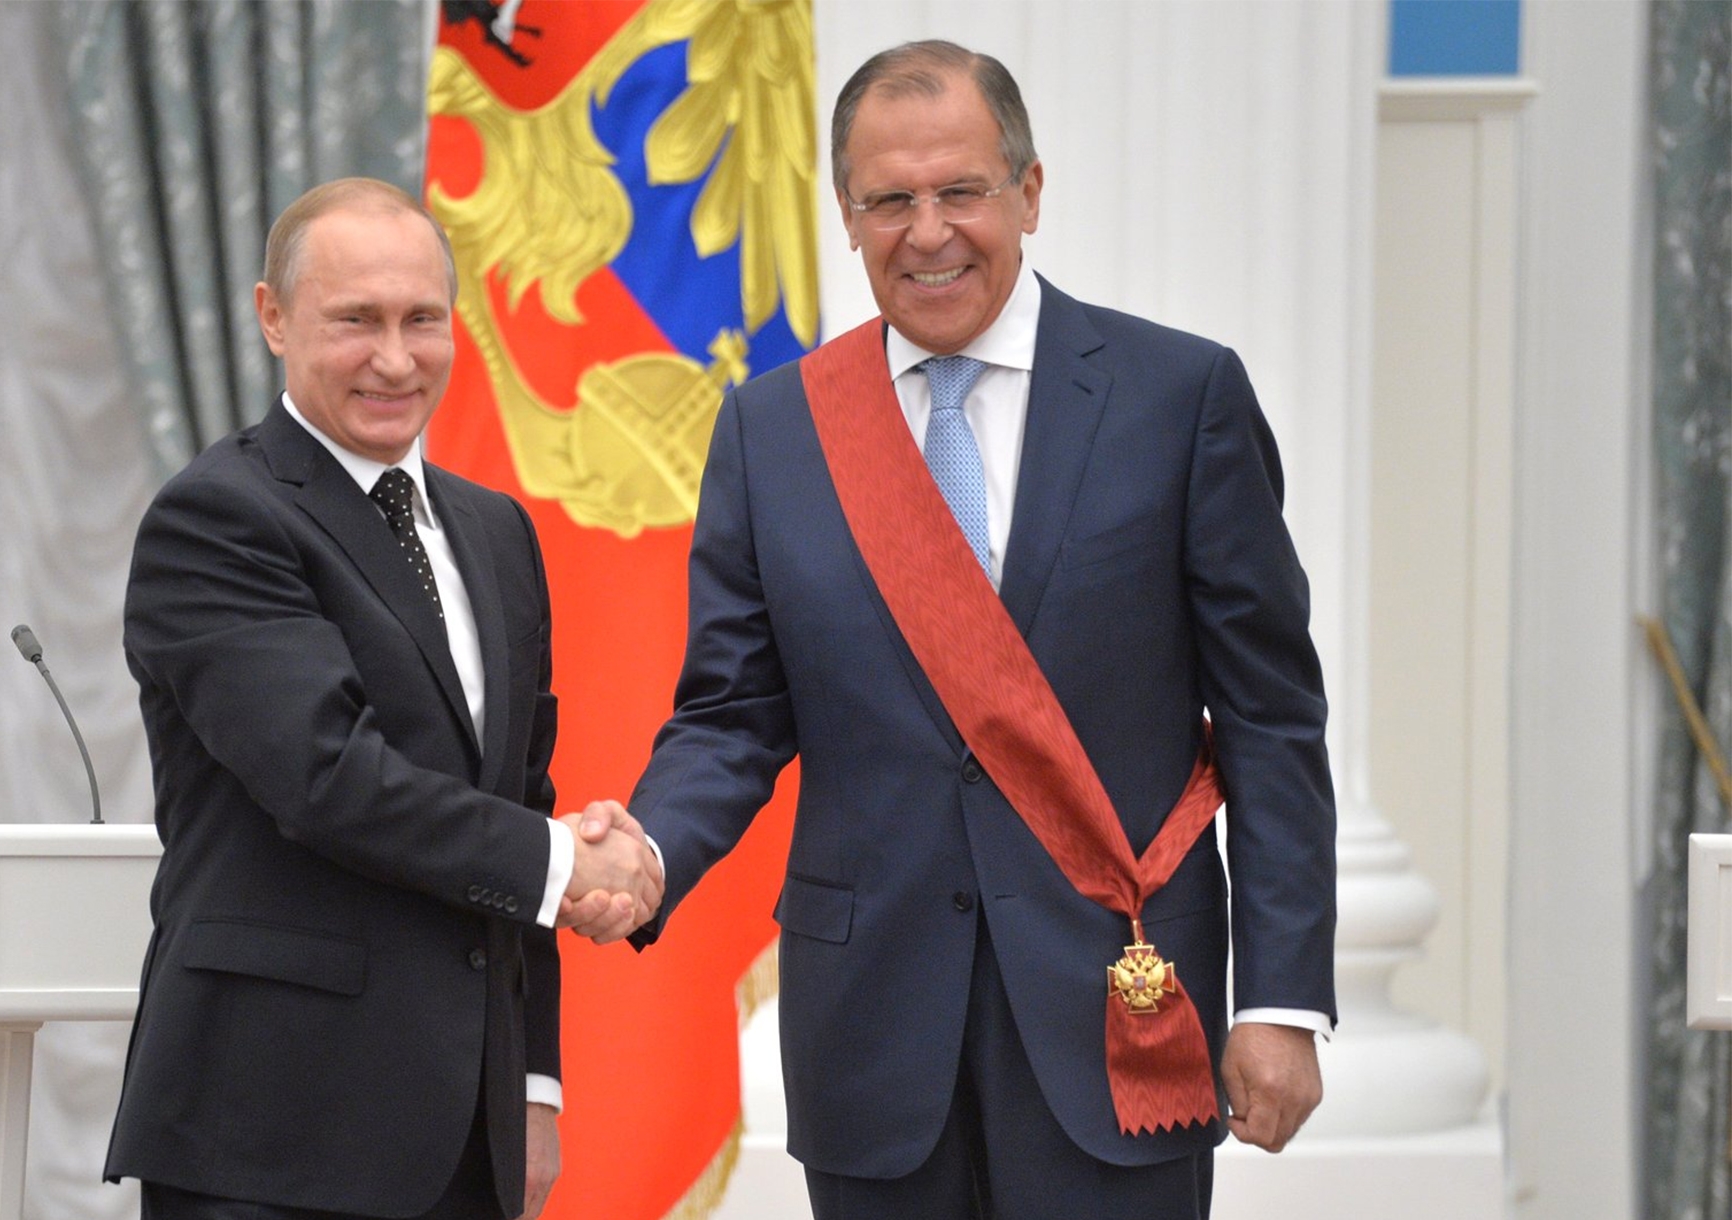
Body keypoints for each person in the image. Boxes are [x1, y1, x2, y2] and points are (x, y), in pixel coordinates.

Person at [580, 40, 1336, 1220]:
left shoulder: (1178, 398)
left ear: (1029, 194)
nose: (927, 231)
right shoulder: (774, 430)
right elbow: (732, 712)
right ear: (847, 215)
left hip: (1118, 1006)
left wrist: (1281, 1000)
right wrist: (652, 851)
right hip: (873, 1022)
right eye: (890, 200)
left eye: (961, 191)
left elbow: (1270, 718)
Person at [103, 178, 662, 1220]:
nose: (396, 359)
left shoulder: (497, 530)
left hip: (468, 1137)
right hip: (271, 1133)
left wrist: (533, 1084)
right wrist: (570, 862)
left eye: (421, 320)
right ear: (273, 316)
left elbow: (519, 798)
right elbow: (327, 778)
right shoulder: (219, 515)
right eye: (355, 320)